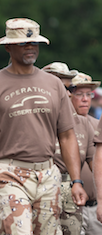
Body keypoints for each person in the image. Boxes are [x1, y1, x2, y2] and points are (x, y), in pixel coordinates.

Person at [0, 18, 87, 235]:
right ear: (8, 47)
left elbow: (67, 137)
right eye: (23, 43)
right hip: (9, 173)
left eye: (34, 43)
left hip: (48, 174)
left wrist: (76, 180)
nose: (30, 47)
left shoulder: (53, 85)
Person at [43, 63, 95, 235]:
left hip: (70, 191)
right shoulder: (35, 117)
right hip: (41, 188)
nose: (65, 92)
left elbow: (94, 162)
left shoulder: (82, 123)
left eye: (67, 87)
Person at [64, 73, 102, 235]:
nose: (85, 99)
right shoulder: (62, 129)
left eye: (89, 94)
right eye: (79, 94)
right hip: (68, 205)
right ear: (69, 95)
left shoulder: (97, 125)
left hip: (94, 206)